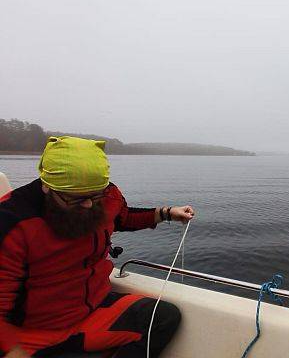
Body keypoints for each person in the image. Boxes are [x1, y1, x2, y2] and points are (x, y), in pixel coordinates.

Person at [0, 136, 195, 357]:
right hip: (33, 334)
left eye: (95, 195)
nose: (89, 205)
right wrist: (13, 350)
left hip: (94, 312)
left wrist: (167, 213)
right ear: (47, 186)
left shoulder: (108, 195)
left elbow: (123, 218)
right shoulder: (11, 222)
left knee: (163, 317)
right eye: (76, 199)